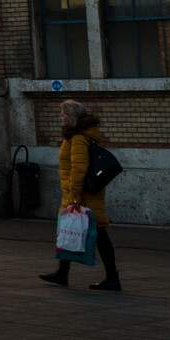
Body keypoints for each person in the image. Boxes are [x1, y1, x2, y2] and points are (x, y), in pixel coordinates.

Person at [42, 99, 122, 292]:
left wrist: (75, 197)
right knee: (68, 230)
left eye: (62, 114)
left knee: (99, 234)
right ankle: (62, 272)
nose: (60, 118)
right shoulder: (76, 136)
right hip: (77, 193)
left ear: (71, 117)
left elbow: (79, 169)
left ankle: (112, 278)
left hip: (82, 195)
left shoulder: (78, 138)